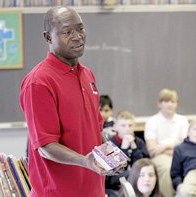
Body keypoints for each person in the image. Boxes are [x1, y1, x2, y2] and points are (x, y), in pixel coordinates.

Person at [19, 6, 121, 196]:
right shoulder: (39, 82)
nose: (77, 36)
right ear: (48, 37)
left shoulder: (87, 74)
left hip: (94, 191)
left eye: (80, 28)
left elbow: (96, 131)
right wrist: (85, 161)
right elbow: (46, 146)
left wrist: (111, 156)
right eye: (67, 31)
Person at [144, 88, 189, 197]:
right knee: (168, 168)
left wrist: (164, 146)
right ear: (159, 104)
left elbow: (186, 148)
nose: (169, 104)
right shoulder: (152, 121)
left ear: (177, 104)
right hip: (160, 158)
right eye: (166, 101)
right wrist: (174, 148)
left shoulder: (183, 121)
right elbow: (153, 151)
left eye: (173, 102)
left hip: (181, 157)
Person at [106, 110, 149, 193]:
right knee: (128, 174)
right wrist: (124, 149)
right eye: (123, 125)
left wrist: (134, 147)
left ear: (134, 126)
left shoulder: (138, 142)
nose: (127, 129)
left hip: (137, 179)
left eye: (130, 125)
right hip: (115, 182)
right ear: (115, 127)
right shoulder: (110, 143)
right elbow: (116, 170)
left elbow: (143, 165)